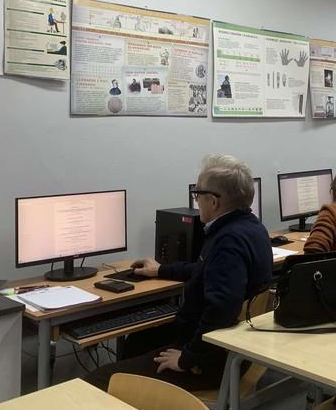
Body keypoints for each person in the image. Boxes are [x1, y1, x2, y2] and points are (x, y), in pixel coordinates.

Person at [84, 155, 273, 392]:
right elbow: (206, 270)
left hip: (210, 362)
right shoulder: (251, 227)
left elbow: (221, 311)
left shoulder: (228, 241)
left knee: (98, 381)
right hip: (231, 347)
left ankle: (147, 401)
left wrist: (186, 359)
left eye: (198, 194)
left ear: (214, 201)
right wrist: (160, 270)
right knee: (137, 342)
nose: (196, 200)